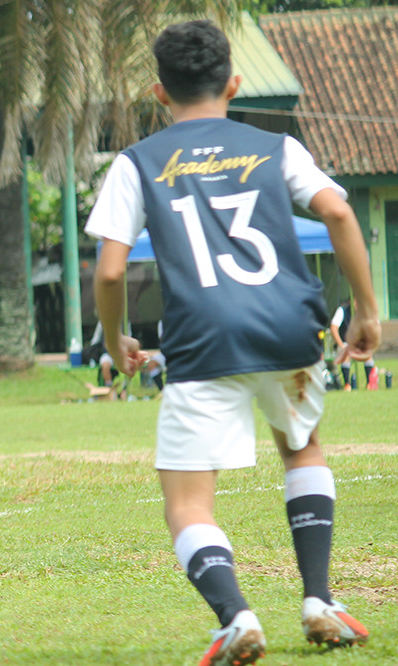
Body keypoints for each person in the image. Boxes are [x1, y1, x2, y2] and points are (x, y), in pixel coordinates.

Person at [86, 20, 379, 666]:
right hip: (288, 328)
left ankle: (237, 617)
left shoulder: (138, 162)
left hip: (204, 339)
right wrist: (367, 311)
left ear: (159, 93)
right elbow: (338, 211)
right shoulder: (276, 148)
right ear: (235, 84)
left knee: (187, 503)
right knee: (301, 449)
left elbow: (108, 272)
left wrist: (115, 338)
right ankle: (319, 600)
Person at [329, 297, 378, 390]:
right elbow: (333, 327)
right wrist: (340, 345)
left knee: (368, 355)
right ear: (351, 301)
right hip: (345, 344)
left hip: (359, 345)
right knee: (346, 353)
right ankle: (347, 384)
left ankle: (369, 383)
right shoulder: (342, 311)